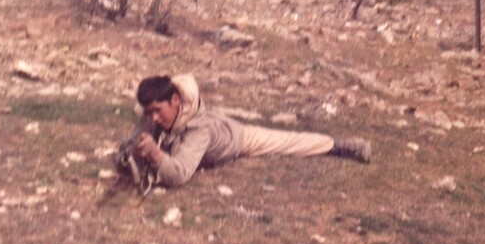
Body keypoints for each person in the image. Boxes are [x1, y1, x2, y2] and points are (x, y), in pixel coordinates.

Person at [115, 73, 371, 189]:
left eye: (157, 111)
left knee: (288, 141)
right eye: (149, 113)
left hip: (236, 138)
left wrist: (156, 155)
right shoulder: (155, 112)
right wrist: (129, 155)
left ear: (175, 101)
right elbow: (131, 146)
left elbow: (180, 175)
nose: (153, 118)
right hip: (214, 120)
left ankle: (343, 146)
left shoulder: (199, 131)